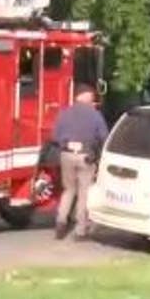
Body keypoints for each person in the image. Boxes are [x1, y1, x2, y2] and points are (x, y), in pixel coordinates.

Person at [51, 83, 109, 240]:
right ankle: (80, 229)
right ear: (88, 97)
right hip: (86, 156)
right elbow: (104, 137)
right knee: (84, 193)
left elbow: (55, 136)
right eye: (92, 97)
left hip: (66, 155)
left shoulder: (64, 113)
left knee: (68, 190)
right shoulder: (95, 115)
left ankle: (60, 222)